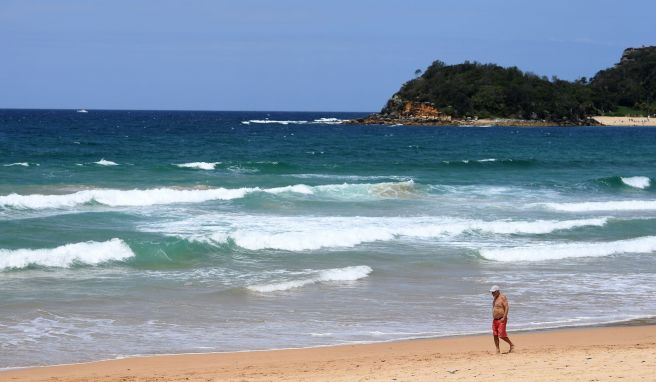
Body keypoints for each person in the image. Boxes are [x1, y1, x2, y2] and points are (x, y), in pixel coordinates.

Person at [490, 285, 514, 354]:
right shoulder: (495, 298)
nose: (492, 294)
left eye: (493, 292)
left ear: (497, 291)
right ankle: (497, 349)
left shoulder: (502, 297)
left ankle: (511, 344)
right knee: (495, 335)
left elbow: (506, 307)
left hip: (501, 319)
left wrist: (504, 317)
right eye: (492, 292)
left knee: (501, 335)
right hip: (495, 320)